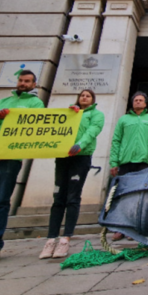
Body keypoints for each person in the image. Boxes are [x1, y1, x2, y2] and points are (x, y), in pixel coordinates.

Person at [0, 70, 45, 264]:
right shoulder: (2, 102)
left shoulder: (36, 104)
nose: (23, 83)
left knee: (0, 202)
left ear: (34, 85)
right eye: (21, 80)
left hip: (9, 158)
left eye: (27, 81)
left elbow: (38, 127)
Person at [39, 89, 105, 259]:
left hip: (80, 157)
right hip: (63, 156)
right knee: (58, 197)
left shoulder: (97, 115)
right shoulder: (70, 113)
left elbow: (92, 131)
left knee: (72, 197)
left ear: (93, 99)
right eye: (82, 95)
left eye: (88, 95)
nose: (84, 97)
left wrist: (80, 144)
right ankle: (51, 239)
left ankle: (65, 239)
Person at [109, 91, 148, 241]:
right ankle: (120, 228)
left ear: (145, 104)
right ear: (132, 103)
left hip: (143, 162)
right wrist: (114, 163)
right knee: (123, 195)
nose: (138, 102)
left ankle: (136, 228)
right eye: (135, 100)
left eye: (140, 100)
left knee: (141, 196)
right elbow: (116, 141)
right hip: (125, 162)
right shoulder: (123, 119)